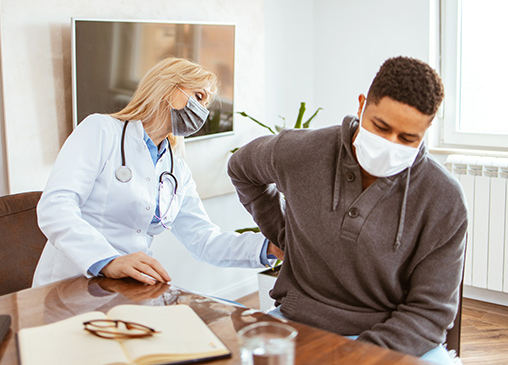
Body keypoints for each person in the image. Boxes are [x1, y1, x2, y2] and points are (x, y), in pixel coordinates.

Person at [227, 56, 467, 363]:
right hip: (298, 322)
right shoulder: (300, 152)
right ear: (362, 105)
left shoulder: (444, 198)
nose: (389, 144)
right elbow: (241, 169)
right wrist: (284, 234)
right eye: (381, 127)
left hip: (395, 337)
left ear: (427, 129)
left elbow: (430, 311)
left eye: (408, 138)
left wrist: (353, 355)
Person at [33, 57, 282, 287]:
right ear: (168, 87)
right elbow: (56, 207)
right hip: (72, 280)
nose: (202, 111)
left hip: (129, 285)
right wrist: (108, 260)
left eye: (205, 103)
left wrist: (269, 247)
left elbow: (204, 240)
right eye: (198, 96)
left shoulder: (176, 168)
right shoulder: (101, 130)